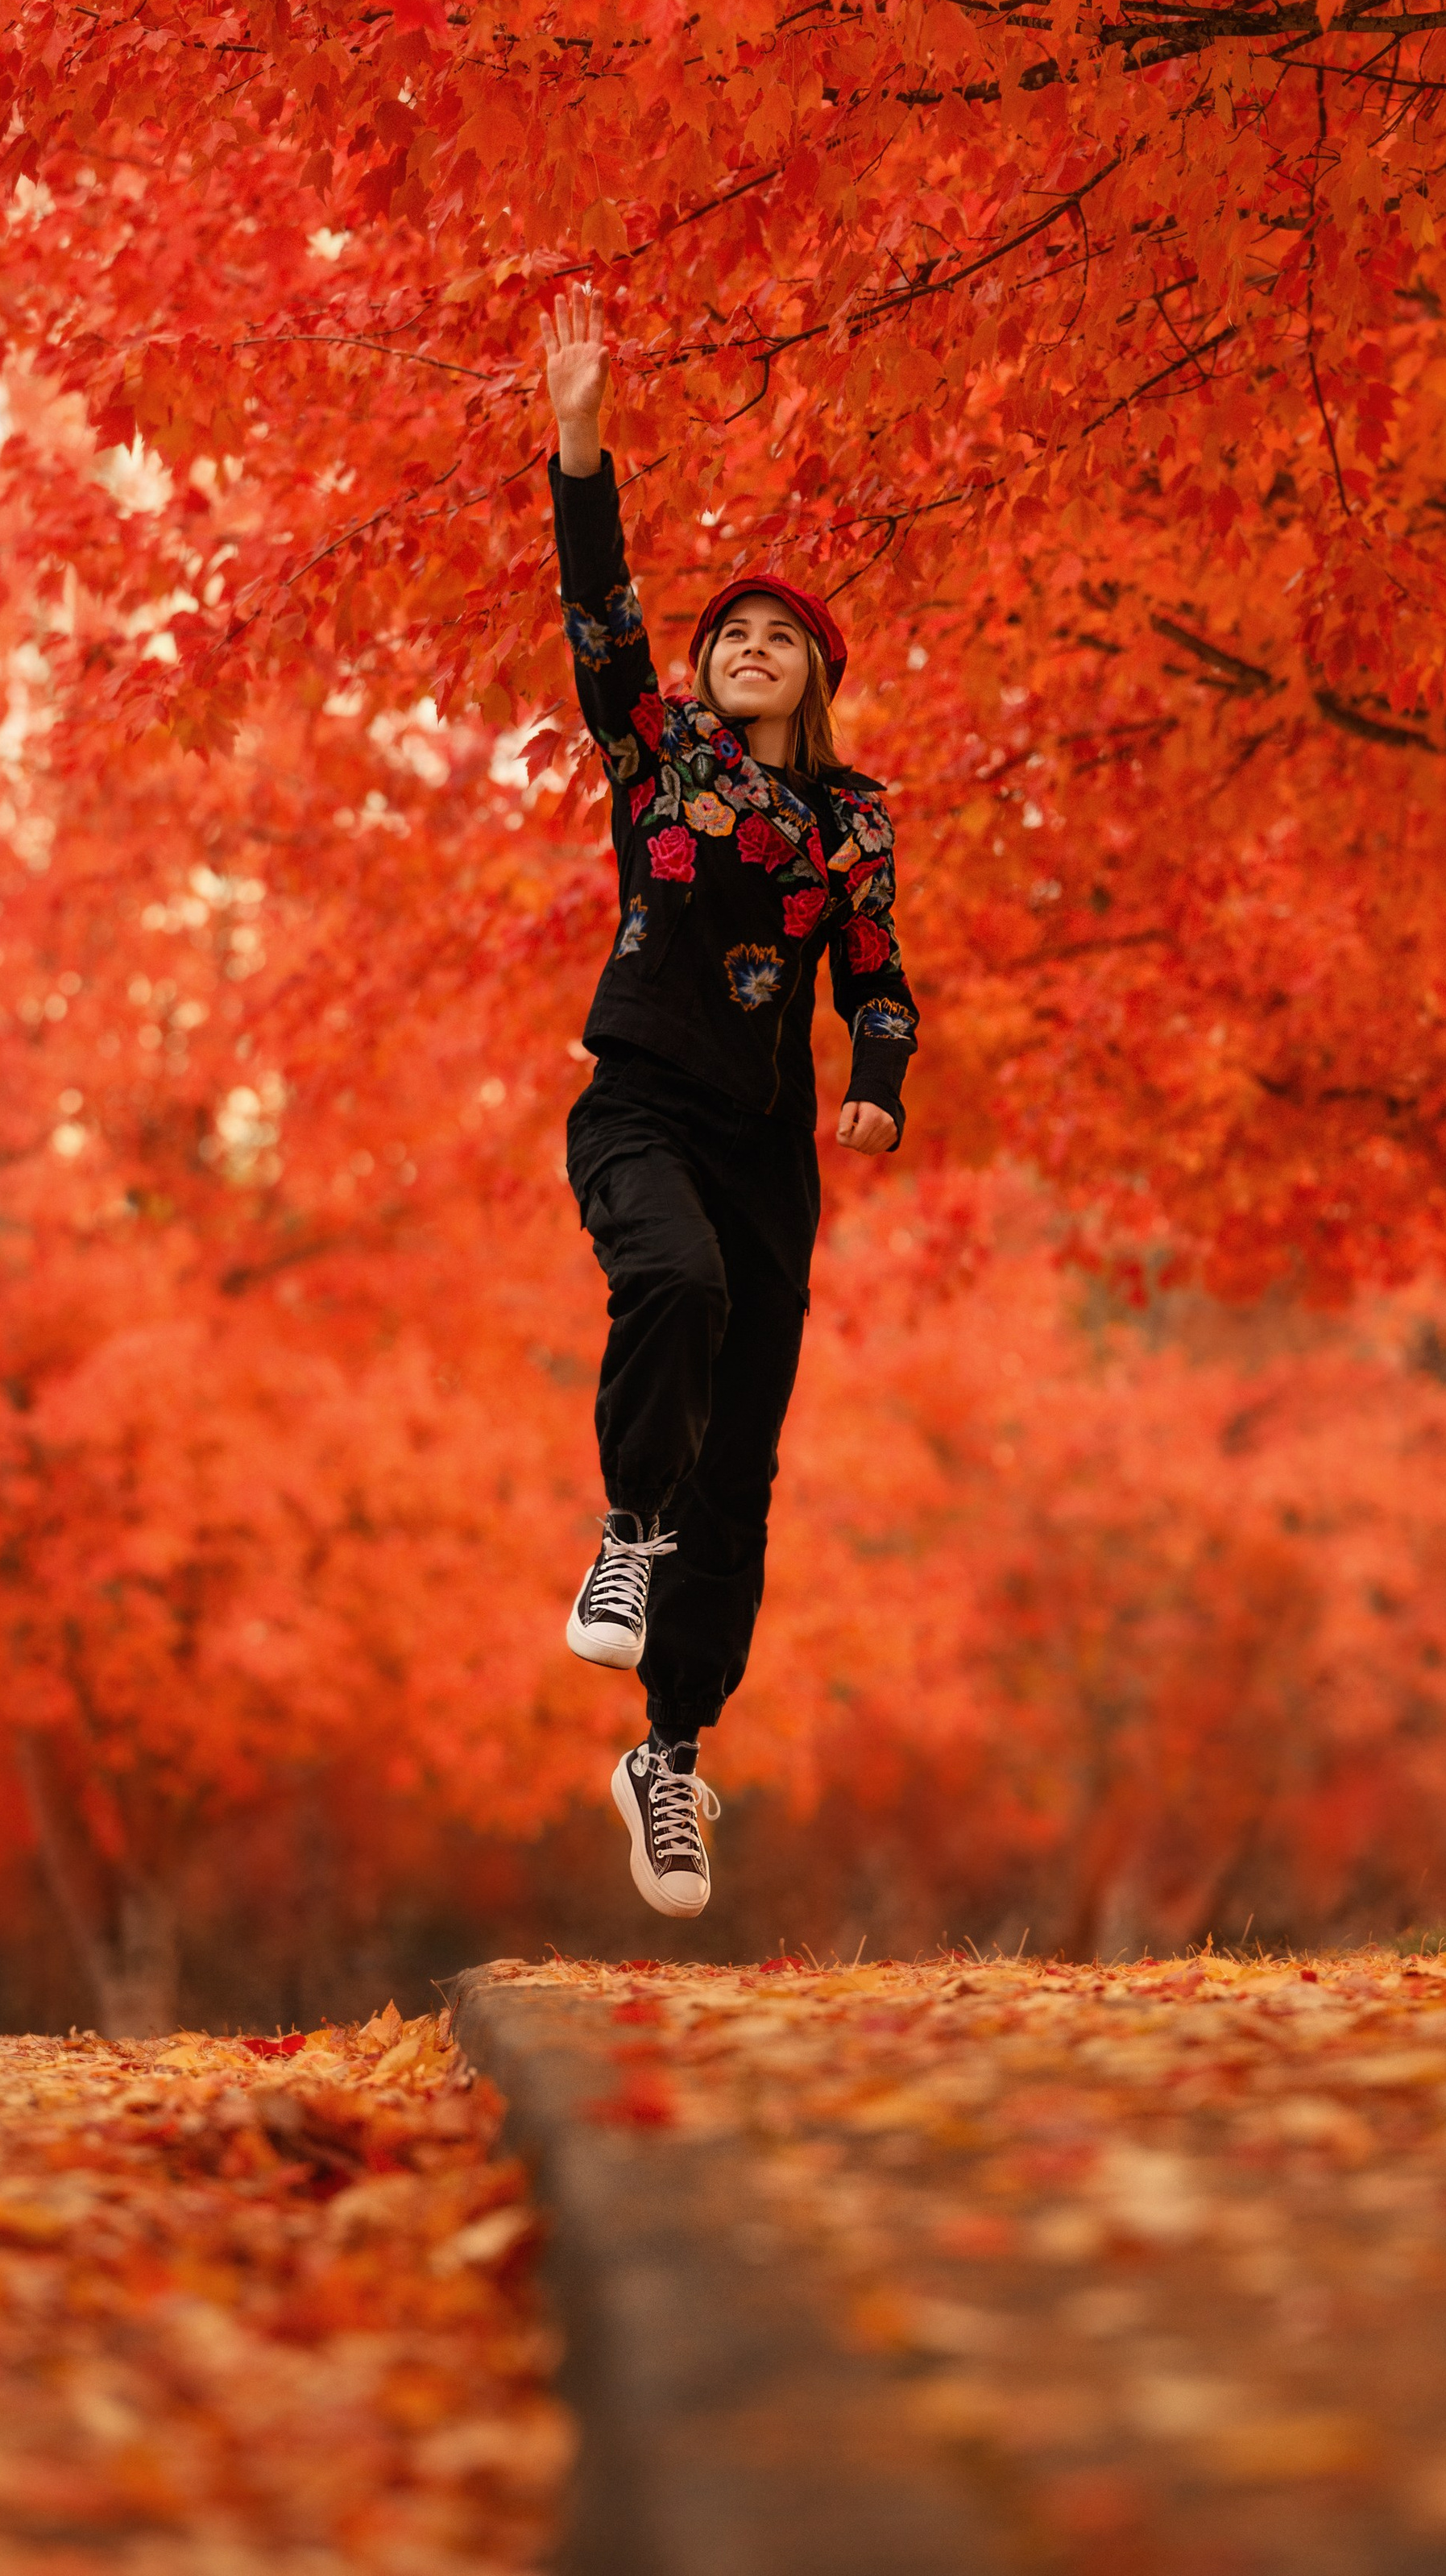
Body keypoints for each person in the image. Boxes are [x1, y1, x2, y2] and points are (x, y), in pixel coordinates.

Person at [541, 285, 920, 1918]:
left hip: (771, 1150)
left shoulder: (849, 819)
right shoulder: (656, 761)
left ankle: (671, 1753)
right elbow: (603, 613)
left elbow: (879, 975)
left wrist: (881, 1082)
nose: (742, 643)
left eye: (777, 634)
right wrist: (577, 448)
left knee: (744, 1463)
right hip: (639, 1106)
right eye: (727, 632)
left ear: (814, 677)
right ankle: (622, 1523)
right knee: (670, 1286)